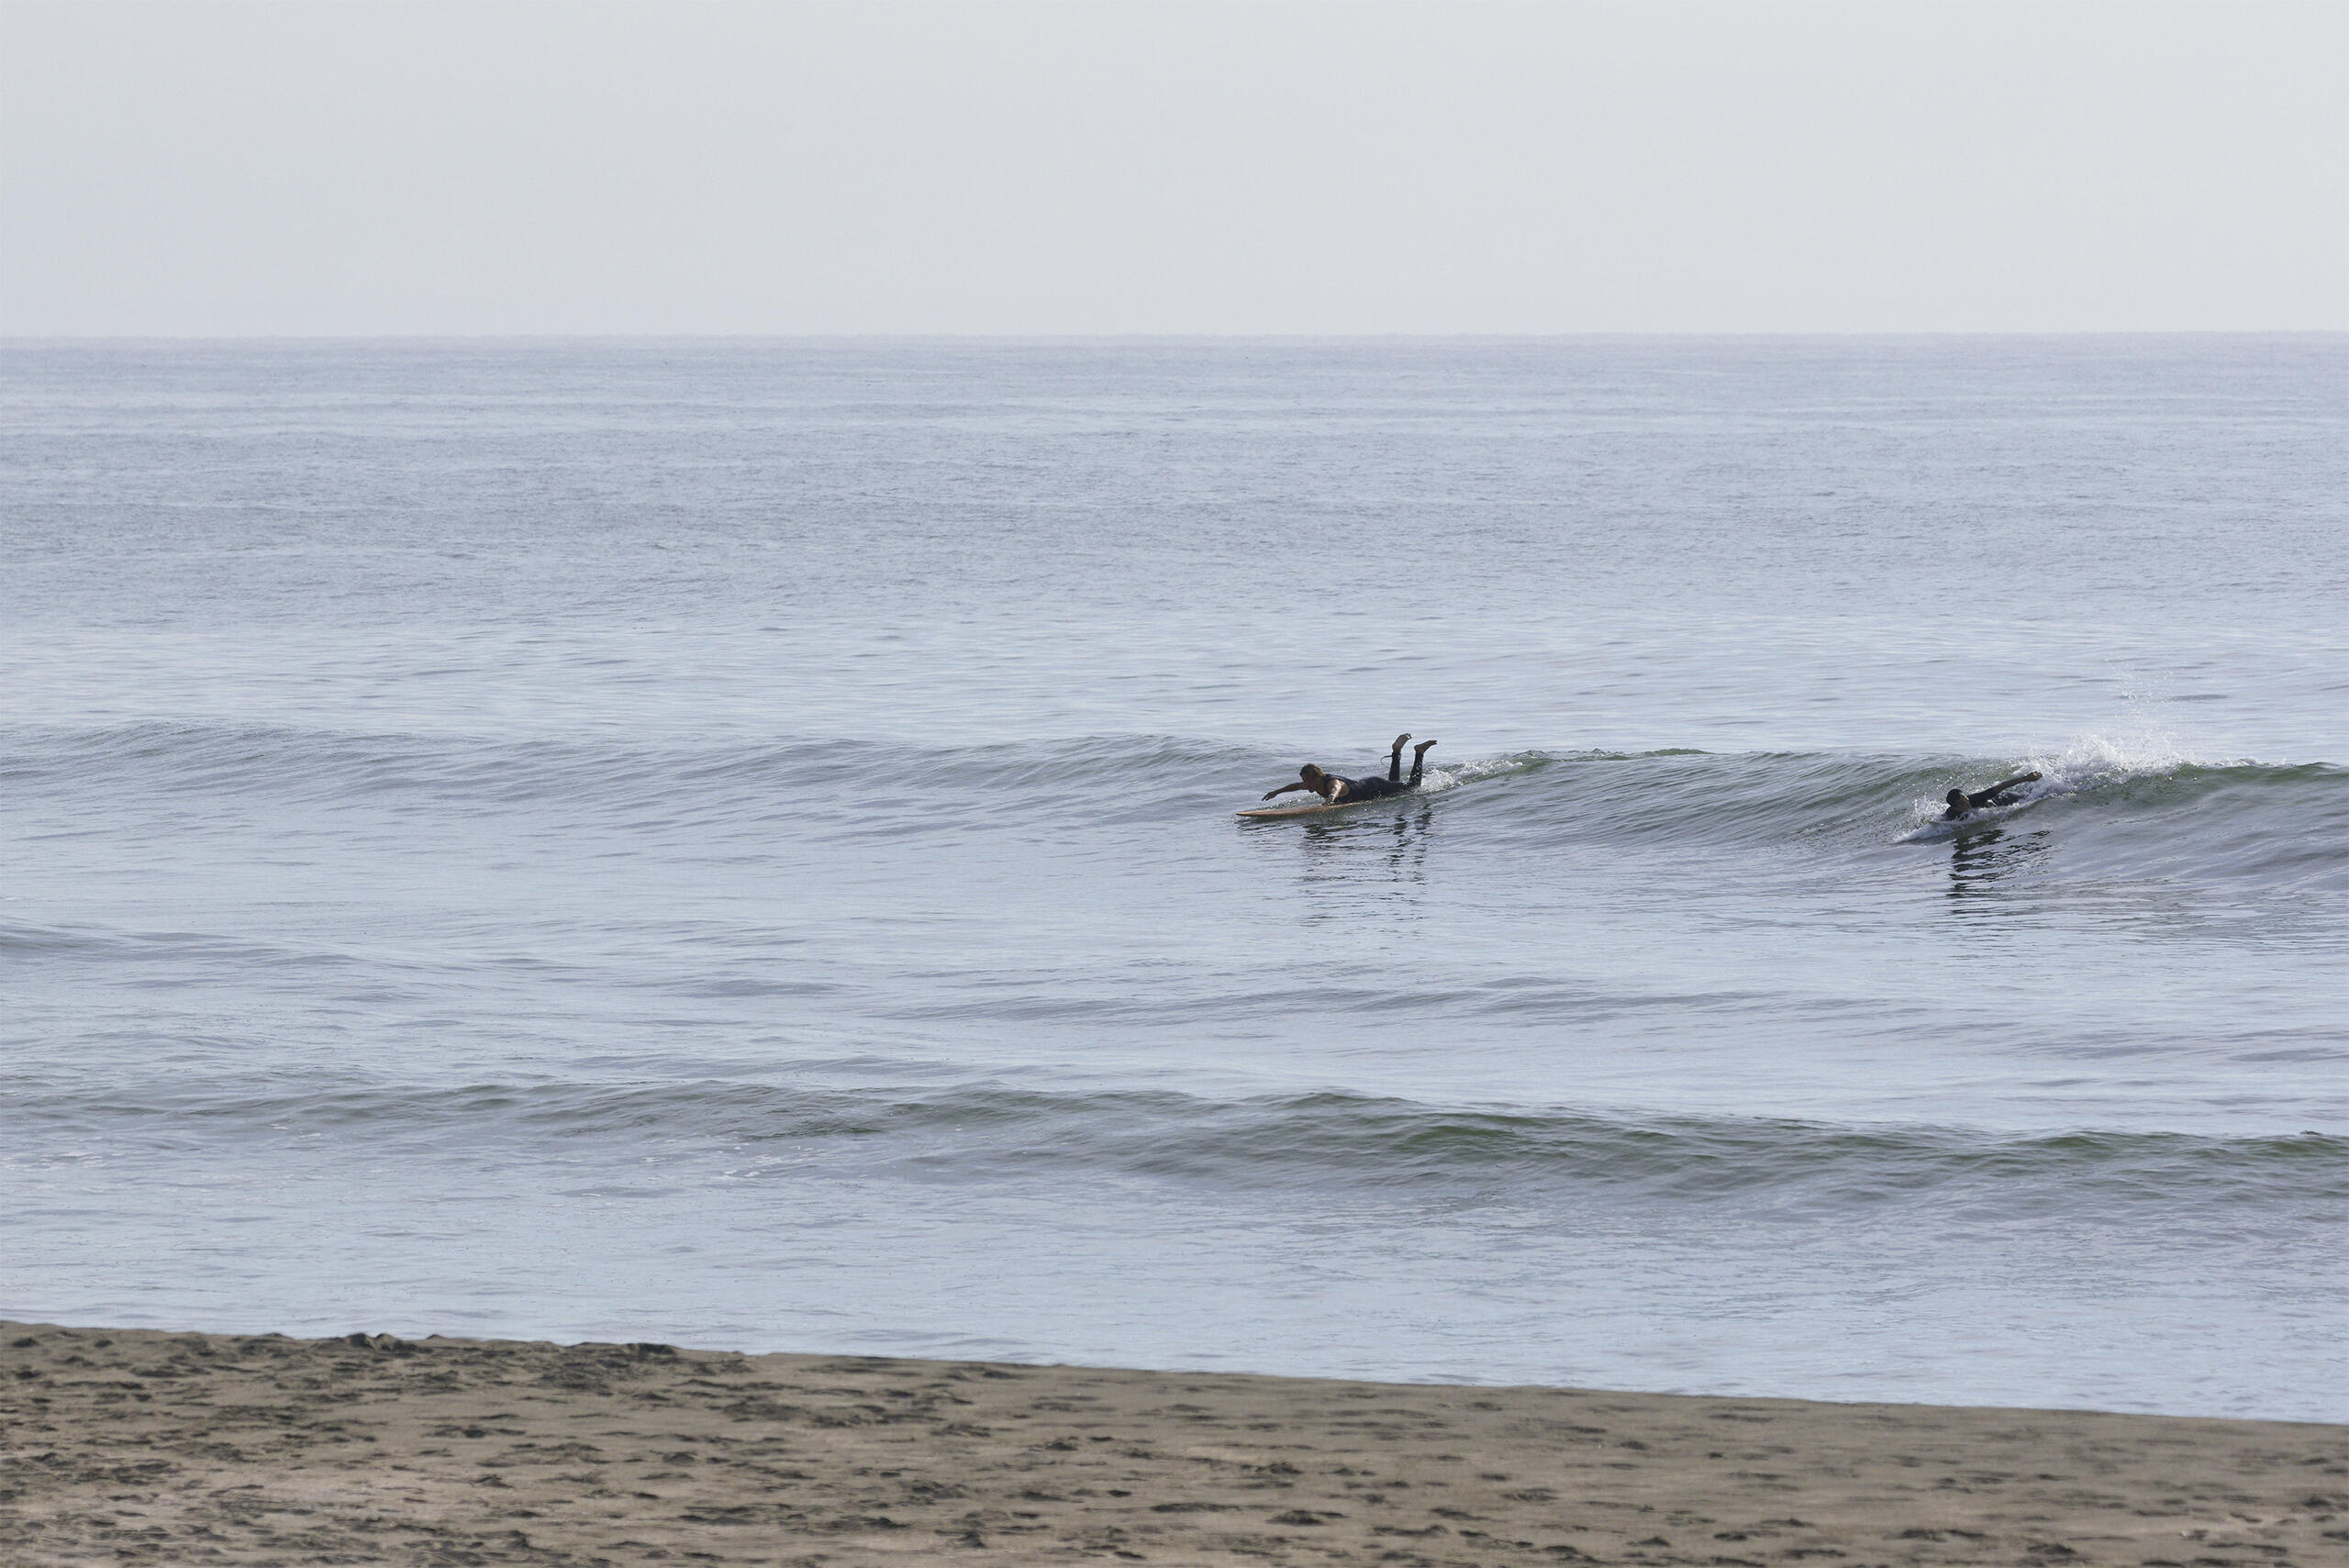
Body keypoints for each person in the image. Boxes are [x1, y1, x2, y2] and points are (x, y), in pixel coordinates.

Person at [1262, 734, 1439, 805]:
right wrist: (1276, 792)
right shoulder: (1314, 784)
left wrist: (1330, 799)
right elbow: (1295, 786)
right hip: (1371, 783)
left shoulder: (1332, 783)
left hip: (1374, 787)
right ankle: (1396, 751)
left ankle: (1419, 752)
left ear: (1316, 778)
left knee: (1413, 788)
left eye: (1306, 780)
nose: (1304, 784)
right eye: (1304, 780)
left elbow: (1336, 789)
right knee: (1395, 783)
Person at [1943, 771, 2042, 821]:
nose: (1966, 804)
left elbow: (2002, 786)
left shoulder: (1977, 798)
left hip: (2005, 799)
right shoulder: (1951, 812)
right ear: (1954, 807)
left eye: (1966, 800)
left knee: (2031, 797)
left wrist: (2026, 778)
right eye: (1962, 804)